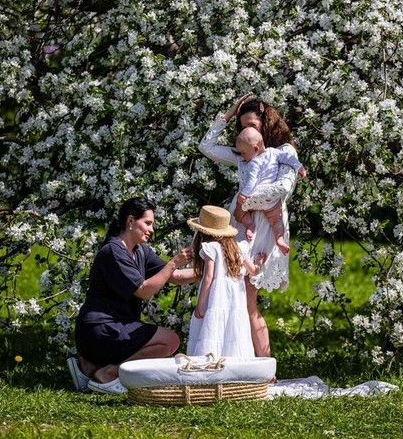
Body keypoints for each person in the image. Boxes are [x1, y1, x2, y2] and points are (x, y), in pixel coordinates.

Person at [198, 92, 301, 358]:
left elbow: (283, 189)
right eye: (243, 127)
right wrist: (228, 114)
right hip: (241, 224)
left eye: (252, 126)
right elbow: (206, 147)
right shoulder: (244, 155)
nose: (248, 131)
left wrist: (245, 203)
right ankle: (241, 358)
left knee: (248, 298)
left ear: (266, 125)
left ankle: (263, 364)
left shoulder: (283, 152)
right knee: (233, 292)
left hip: (267, 224)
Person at [69, 197, 198, 395]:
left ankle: (90, 369)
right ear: (130, 221)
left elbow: (176, 277)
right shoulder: (113, 251)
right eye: (147, 223)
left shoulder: (140, 251)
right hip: (100, 328)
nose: (152, 229)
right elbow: (144, 291)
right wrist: (174, 262)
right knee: (170, 341)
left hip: (116, 326)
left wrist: (213, 271)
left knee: (169, 340)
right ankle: (109, 373)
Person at [186, 205, 264, 358]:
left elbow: (209, 277)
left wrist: (200, 305)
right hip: (235, 300)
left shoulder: (211, 247)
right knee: (232, 329)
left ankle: (210, 361)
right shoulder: (238, 247)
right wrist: (259, 261)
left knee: (214, 328)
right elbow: (254, 270)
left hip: (215, 298)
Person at [234, 126, 305, 255]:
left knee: (239, 214)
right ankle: (279, 239)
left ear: (255, 149)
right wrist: (300, 167)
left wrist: (243, 194)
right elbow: (288, 158)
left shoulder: (253, 163)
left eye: (243, 153)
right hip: (271, 200)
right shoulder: (274, 153)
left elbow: (252, 181)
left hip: (254, 197)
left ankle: (250, 225)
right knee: (277, 221)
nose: (243, 157)